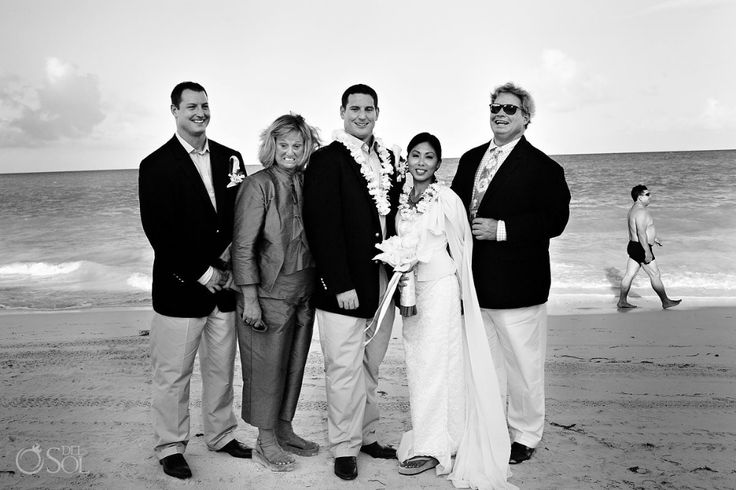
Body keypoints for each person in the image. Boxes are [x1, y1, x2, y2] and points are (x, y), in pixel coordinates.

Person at [451, 82, 571, 465]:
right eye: (494, 107)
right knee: (482, 364)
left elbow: (556, 220)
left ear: (526, 118)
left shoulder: (544, 168)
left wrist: (503, 228)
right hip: (474, 283)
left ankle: (525, 435)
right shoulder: (469, 160)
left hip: (520, 285)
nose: (499, 114)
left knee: (523, 366)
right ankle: (487, 426)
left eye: (509, 109)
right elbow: (452, 210)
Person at [138, 81, 252, 480]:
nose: (200, 112)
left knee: (222, 369)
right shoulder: (155, 165)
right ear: (174, 110)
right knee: (173, 375)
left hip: (226, 290)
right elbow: (159, 231)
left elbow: (242, 218)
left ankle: (221, 434)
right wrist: (204, 273)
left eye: (204, 105)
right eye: (191, 107)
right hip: (180, 289)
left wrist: (234, 268)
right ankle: (170, 446)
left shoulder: (231, 157)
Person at [393, 133, 516, 489]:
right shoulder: (401, 198)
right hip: (410, 290)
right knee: (419, 365)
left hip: (442, 289)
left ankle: (435, 446)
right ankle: (433, 434)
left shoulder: (446, 199)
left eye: (428, 157)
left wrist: (463, 294)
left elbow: (463, 247)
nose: (420, 162)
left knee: (436, 366)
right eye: (415, 155)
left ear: (437, 164)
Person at [303, 84, 400, 481]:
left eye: (369, 108)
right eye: (355, 108)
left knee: (370, 365)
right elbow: (321, 227)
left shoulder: (390, 157)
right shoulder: (325, 160)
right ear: (342, 111)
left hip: (383, 279)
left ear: (378, 112)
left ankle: (366, 434)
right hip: (344, 284)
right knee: (342, 366)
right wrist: (340, 283)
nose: (362, 115)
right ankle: (344, 447)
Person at [231, 113, 322, 472]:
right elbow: (243, 247)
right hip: (268, 294)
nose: (289, 151)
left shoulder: (306, 181)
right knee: (266, 369)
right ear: (272, 146)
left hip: (304, 290)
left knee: (294, 365)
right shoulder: (258, 185)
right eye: (282, 144)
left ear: (306, 148)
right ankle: (264, 440)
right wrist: (250, 298)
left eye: (297, 145)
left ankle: (284, 428)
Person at [617, 185, 681, 309]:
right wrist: (647, 251)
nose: (650, 197)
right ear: (640, 197)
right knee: (655, 274)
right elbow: (641, 232)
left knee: (629, 274)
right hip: (641, 247)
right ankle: (665, 301)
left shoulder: (633, 210)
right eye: (647, 194)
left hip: (634, 245)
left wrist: (653, 238)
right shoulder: (641, 212)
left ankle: (622, 301)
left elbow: (638, 230)